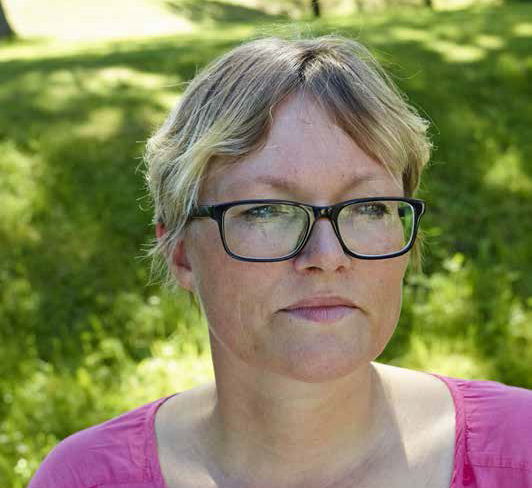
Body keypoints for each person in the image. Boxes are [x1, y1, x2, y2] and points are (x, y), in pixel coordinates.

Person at [28, 35, 532, 488]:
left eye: (368, 207)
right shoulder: (84, 479)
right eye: (266, 211)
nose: (327, 257)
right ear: (181, 252)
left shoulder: (519, 450)